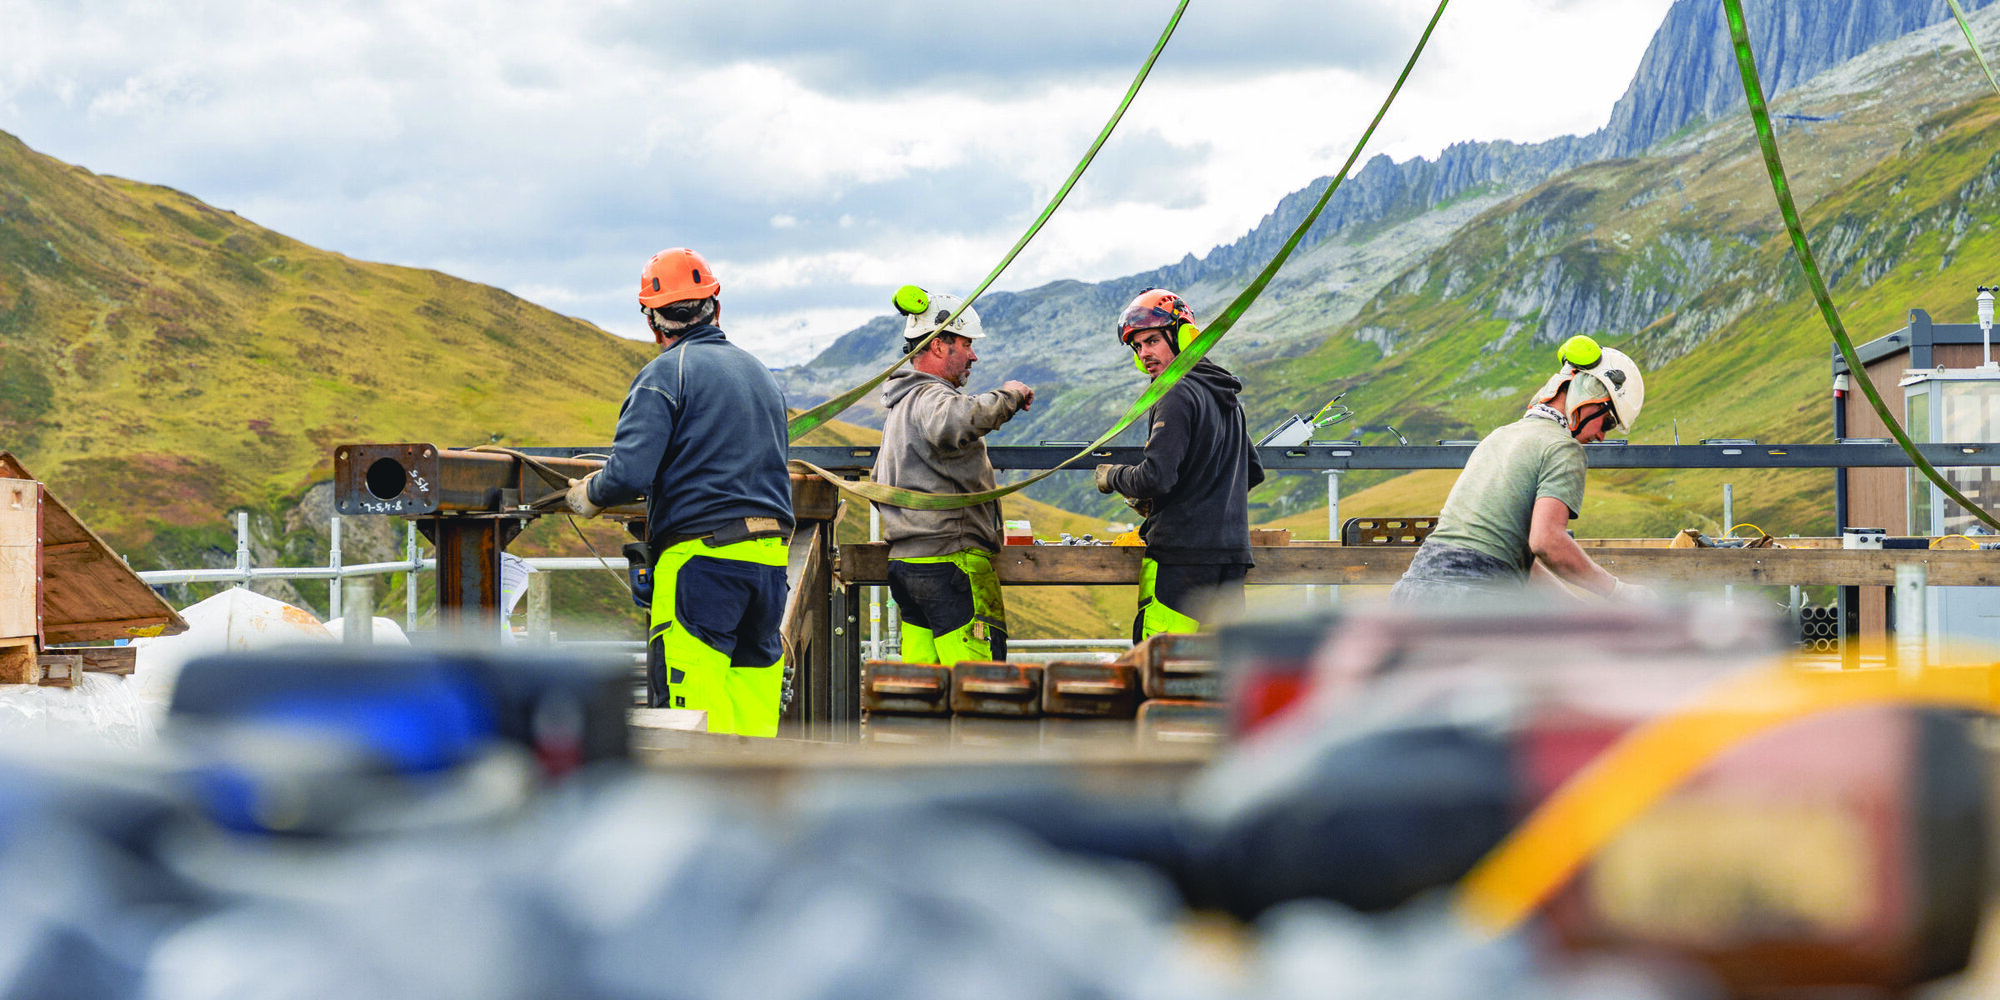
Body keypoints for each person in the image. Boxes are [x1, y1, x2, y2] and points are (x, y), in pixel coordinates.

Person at [565, 247, 794, 737]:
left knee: (687, 722)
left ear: (653, 319)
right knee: (751, 715)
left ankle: (699, 811)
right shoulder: (760, 374)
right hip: (770, 564)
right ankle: (755, 807)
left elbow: (628, 474)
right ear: (715, 305)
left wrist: (589, 495)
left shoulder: (666, 375)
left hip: (702, 564)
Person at [1389, 336, 1651, 603]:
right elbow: (1547, 542)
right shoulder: (1562, 448)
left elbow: (1519, 562)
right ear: (1590, 396)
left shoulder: (1500, 436)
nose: (1601, 436)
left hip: (1414, 589)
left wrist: (1580, 611)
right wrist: (1618, 591)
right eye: (1607, 422)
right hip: (1471, 597)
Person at [872, 286, 1034, 665]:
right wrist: (1009, 395)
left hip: (910, 569)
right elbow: (957, 421)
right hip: (951, 564)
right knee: (980, 688)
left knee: (923, 691)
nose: (973, 354)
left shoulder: (900, 407)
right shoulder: (932, 398)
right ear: (940, 346)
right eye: (966, 344)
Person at [1093, 288, 1263, 641]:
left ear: (1183, 335)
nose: (1145, 354)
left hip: (1180, 560)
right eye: (1137, 347)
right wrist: (1201, 497)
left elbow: (1156, 477)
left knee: (1163, 672)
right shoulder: (1223, 393)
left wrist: (1112, 477)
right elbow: (1252, 470)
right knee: (1219, 676)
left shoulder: (1174, 392)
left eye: (1152, 341)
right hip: (1230, 559)